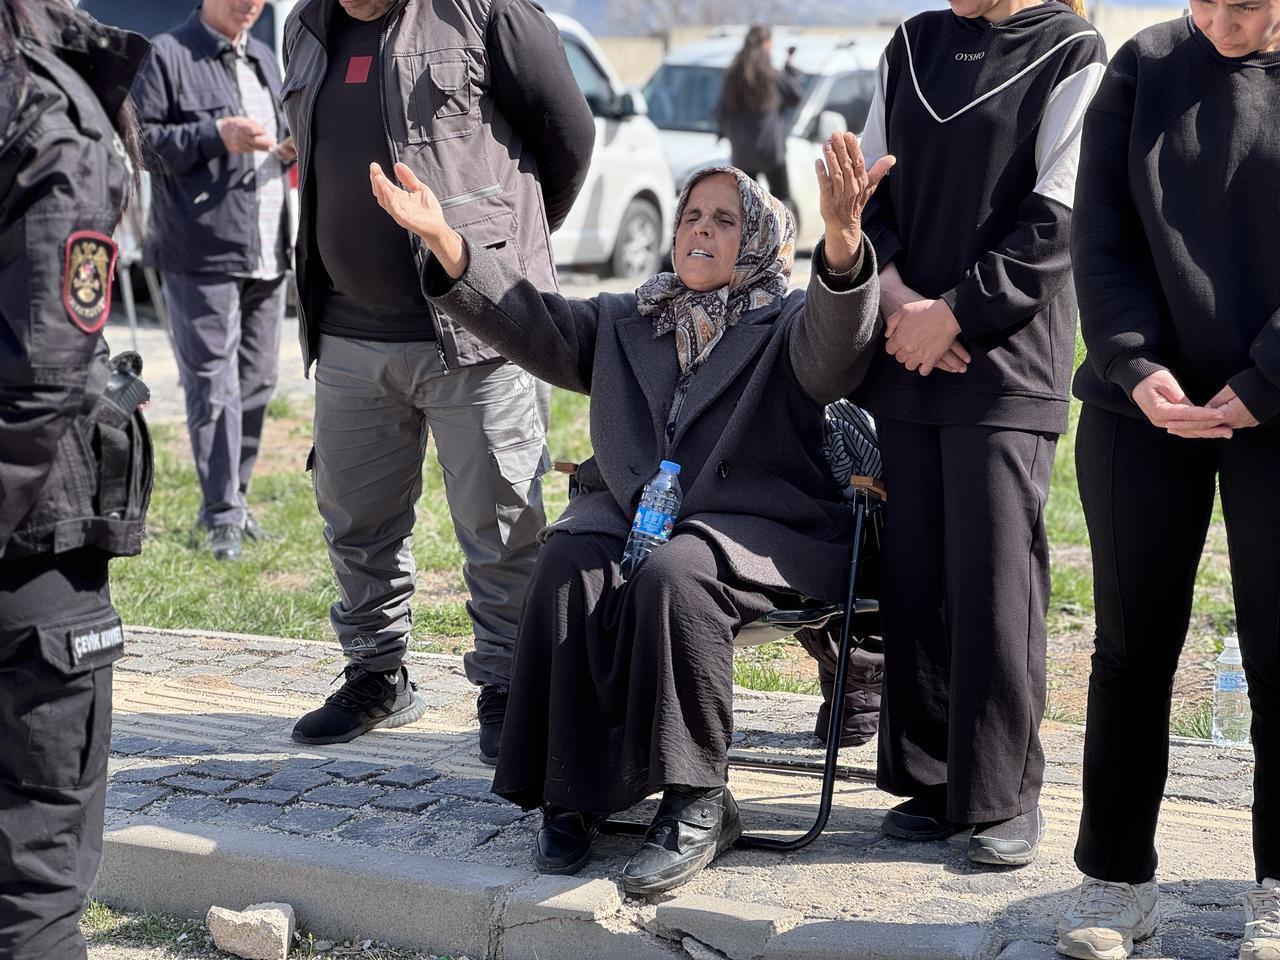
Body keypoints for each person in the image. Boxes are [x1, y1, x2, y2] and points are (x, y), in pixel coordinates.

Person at [368, 131, 890, 894]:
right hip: (643, 518)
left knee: (675, 575)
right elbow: (528, 318)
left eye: (724, 219)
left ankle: (699, 802)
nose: (700, 229)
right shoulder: (630, 317)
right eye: (690, 215)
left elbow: (836, 353)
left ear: (760, 241)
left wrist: (843, 242)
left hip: (757, 530)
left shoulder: (785, 322)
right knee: (569, 560)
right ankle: (571, 790)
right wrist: (447, 241)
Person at [280, 0, 595, 757]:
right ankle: (376, 675)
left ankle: (511, 689)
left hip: (479, 332)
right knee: (356, 521)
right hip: (349, 332)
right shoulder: (305, 27)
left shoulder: (486, 14)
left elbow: (569, 140)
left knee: (501, 526)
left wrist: (495, 256)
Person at [857, 0, 1105, 866]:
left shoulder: (1073, 48)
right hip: (903, 345)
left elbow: (1059, 217)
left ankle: (1001, 796)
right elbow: (868, 192)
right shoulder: (911, 44)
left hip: (1006, 361)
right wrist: (894, 301)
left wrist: (956, 313)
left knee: (997, 582)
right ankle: (932, 783)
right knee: (917, 573)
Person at [1054, 0, 1280, 955]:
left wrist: (1265, 381)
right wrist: (1136, 365)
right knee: (1132, 647)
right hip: (1140, 409)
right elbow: (1098, 238)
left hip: (1279, 412)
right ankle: (1114, 883)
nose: (1225, 16)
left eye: (1249, 0)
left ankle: (1275, 891)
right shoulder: (1143, 65)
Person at [0, 2, 153, 957]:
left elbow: (42, 378)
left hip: (33, 551)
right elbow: (43, 385)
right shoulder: (53, 112)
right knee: (35, 898)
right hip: (32, 546)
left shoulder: (43, 114)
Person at [131, 0, 294, 562]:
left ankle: (236, 503)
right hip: (201, 250)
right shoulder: (169, 55)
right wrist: (214, 134)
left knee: (258, 382)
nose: (252, 6)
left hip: (268, 247)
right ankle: (219, 514)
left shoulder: (266, 60)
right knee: (213, 384)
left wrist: (293, 144)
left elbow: (284, 131)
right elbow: (142, 144)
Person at [716, 24, 804, 205]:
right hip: (770, 150)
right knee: (781, 200)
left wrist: (729, 134)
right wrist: (790, 69)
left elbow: (721, 112)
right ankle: (778, 234)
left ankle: (751, 235)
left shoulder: (733, 75)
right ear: (766, 44)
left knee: (748, 205)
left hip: (742, 152)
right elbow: (795, 97)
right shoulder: (771, 74)